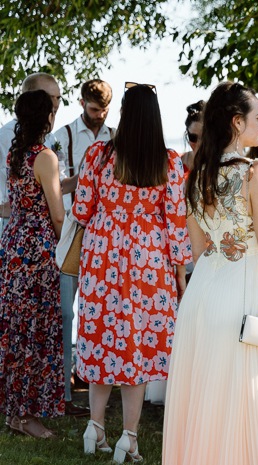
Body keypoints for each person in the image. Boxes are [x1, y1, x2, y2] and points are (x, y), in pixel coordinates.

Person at [162, 82, 258, 465]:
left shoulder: (197, 177)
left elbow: (200, 251)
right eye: (257, 117)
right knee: (251, 400)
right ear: (236, 122)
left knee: (211, 402)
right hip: (246, 297)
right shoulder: (256, 174)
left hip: (204, 298)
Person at [74, 82, 191, 463]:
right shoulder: (170, 162)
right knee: (134, 347)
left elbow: (81, 210)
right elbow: (176, 223)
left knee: (103, 338)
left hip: (102, 255)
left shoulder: (97, 155)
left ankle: (95, 428)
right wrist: (180, 272)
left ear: (123, 113)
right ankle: (129, 437)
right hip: (148, 261)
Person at [0, 89, 65, 438]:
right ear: (47, 118)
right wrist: (66, 245)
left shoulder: (17, 153)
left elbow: (24, 199)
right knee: (36, 333)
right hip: (37, 252)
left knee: (17, 330)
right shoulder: (45, 156)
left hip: (13, 246)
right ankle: (29, 418)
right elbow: (56, 214)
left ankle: (15, 413)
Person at [52, 78, 113, 417]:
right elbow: (54, 184)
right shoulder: (63, 137)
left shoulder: (116, 137)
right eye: (93, 110)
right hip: (74, 232)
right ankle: (63, 392)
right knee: (66, 312)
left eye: (104, 110)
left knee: (102, 313)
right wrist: (87, 176)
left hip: (107, 238)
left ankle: (94, 377)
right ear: (81, 103)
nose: (99, 116)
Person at [0, 73, 61, 233]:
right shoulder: (7, 135)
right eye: (48, 97)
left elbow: (54, 185)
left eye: (58, 98)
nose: (55, 104)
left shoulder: (50, 138)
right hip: (27, 230)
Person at [179, 100, 204, 172]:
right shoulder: (176, 163)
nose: (198, 143)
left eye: (203, 137)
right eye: (193, 137)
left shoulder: (224, 167)